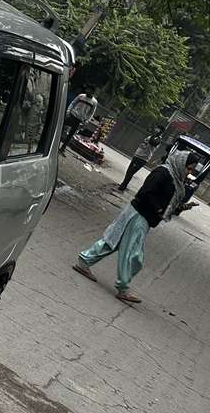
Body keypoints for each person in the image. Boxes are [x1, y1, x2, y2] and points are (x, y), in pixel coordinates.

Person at [73, 151, 200, 303]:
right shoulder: (163, 172)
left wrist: (182, 207)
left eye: (192, 170)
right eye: (189, 168)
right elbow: (145, 193)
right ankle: (123, 288)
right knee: (133, 254)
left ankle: (84, 262)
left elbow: (168, 204)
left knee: (114, 241)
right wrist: (158, 209)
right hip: (139, 215)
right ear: (181, 163)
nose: (189, 173)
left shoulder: (175, 180)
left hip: (142, 217)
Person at [118, 125, 165, 191]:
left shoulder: (158, 139)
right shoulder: (151, 136)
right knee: (129, 171)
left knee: (131, 172)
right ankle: (123, 184)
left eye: (157, 129)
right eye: (156, 128)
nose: (155, 129)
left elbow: (152, 142)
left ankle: (123, 186)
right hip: (137, 155)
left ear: (160, 131)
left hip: (143, 158)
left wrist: (155, 134)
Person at [60, 86, 99, 154]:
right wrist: (68, 111)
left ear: (92, 92)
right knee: (61, 127)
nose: (87, 91)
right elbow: (73, 103)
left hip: (79, 120)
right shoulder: (81, 96)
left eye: (89, 90)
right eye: (87, 89)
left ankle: (63, 148)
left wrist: (86, 121)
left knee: (71, 134)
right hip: (72, 115)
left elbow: (91, 113)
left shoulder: (94, 102)